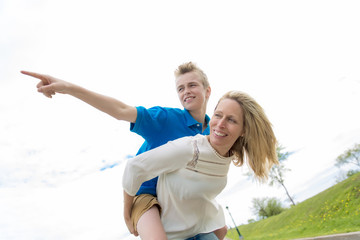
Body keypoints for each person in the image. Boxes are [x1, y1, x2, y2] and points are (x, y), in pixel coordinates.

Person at [21, 62, 228, 239]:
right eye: (180, 88)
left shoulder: (212, 131)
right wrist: (68, 87)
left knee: (221, 229)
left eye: (192, 85)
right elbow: (120, 111)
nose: (186, 92)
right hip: (146, 195)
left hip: (180, 195)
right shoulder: (164, 119)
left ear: (207, 90)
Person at [123, 90, 279, 240]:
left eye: (231, 120)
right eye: (218, 115)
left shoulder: (226, 155)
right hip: (166, 226)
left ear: (244, 130)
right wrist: (127, 215)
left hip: (195, 226)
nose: (220, 124)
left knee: (221, 230)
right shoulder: (189, 148)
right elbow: (134, 168)